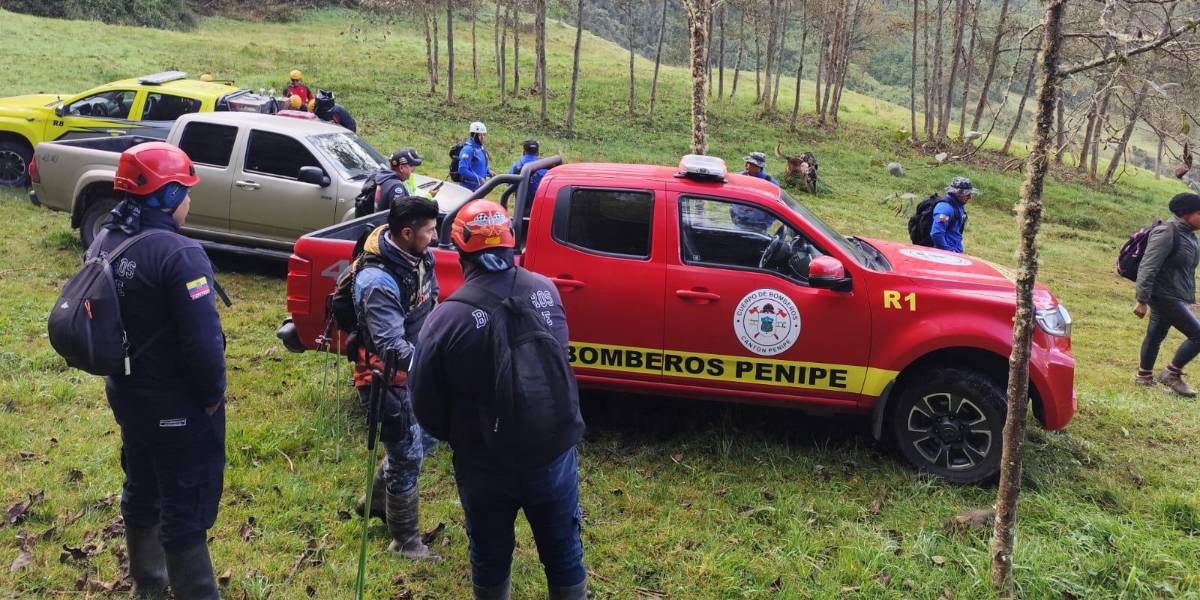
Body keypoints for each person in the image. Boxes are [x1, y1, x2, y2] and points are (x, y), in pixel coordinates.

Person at [411, 201, 587, 600]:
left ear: (459, 251)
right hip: (553, 451)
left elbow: (424, 404)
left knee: (490, 557)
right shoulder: (547, 290)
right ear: (512, 244)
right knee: (564, 552)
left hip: (484, 461)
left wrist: (461, 435)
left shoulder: (446, 318)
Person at [98, 142, 226, 599]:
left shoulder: (107, 238)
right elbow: (203, 342)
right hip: (178, 406)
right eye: (185, 190)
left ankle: (148, 586)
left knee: (142, 484)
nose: (190, 199)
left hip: (128, 395)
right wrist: (213, 396)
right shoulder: (179, 254)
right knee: (186, 504)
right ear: (167, 196)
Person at [350, 196, 442, 560]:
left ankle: (374, 501)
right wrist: (440, 364)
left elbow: (430, 301)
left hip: (418, 370)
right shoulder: (377, 281)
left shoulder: (419, 257)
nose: (435, 238)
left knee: (430, 436)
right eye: (430, 231)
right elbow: (392, 348)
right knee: (407, 456)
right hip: (386, 379)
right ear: (407, 233)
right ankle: (404, 542)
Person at [1134, 192, 1200, 396]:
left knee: (1155, 334)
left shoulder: (1189, 235)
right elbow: (1148, 266)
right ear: (1186, 214)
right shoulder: (1167, 232)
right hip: (1163, 295)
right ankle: (1172, 374)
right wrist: (1142, 299)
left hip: (1173, 293)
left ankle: (1143, 377)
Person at [372, 149, 432, 213]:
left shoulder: (384, 178)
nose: (413, 169)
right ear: (401, 168)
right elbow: (401, 215)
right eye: (411, 166)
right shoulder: (396, 186)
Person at [732, 152, 779, 233]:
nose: (746, 165)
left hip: (758, 226)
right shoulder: (739, 177)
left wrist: (765, 223)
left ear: (758, 167)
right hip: (738, 222)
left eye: (750, 163)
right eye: (746, 162)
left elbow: (776, 206)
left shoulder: (770, 183)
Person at [930, 176, 975, 254]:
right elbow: (937, 233)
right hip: (943, 255)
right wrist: (949, 253)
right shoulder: (945, 209)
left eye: (970, 194)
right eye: (967, 194)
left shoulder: (958, 206)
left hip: (954, 252)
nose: (970, 197)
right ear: (958, 193)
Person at [508, 139, 547, 208]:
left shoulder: (515, 166)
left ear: (523, 152)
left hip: (520, 209)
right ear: (537, 153)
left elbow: (509, 184)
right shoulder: (545, 168)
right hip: (538, 208)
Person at [457, 121, 493, 192]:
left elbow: (479, 164)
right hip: (468, 190)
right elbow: (462, 170)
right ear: (474, 135)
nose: (483, 137)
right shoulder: (468, 149)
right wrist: (478, 179)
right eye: (480, 135)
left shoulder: (481, 148)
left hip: (479, 188)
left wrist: (488, 171)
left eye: (484, 135)